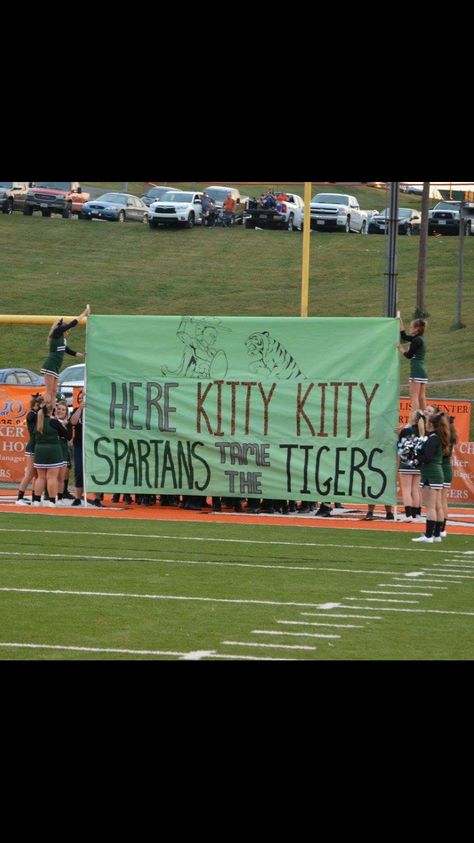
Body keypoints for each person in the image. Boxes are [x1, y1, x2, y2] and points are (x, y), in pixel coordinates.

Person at [41, 304, 90, 406]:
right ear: (63, 328)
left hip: (56, 367)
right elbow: (72, 324)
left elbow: (68, 350)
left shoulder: (63, 340)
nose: (69, 330)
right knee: (49, 391)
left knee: (54, 392)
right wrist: (84, 314)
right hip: (50, 365)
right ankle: (45, 412)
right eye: (67, 328)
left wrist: (81, 354)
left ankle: (52, 412)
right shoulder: (57, 333)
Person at [411, 412, 448, 543]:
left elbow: (427, 457)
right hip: (436, 473)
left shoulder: (433, 439)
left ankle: (428, 536)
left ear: (431, 424)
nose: (425, 424)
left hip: (431, 474)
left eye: (427, 422)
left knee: (431, 506)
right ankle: (437, 535)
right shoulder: (436, 437)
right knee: (437, 506)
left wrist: (415, 459)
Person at [32, 401, 69, 507]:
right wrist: (63, 425)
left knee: (41, 477)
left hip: (39, 451)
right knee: (51, 477)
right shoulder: (54, 422)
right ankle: (52, 501)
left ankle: (36, 500)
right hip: (53, 450)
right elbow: (67, 435)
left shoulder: (38, 421)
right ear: (51, 410)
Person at [15, 393, 44, 505]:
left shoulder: (39, 414)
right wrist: (38, 409)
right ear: (34, 405)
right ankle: (19, 498)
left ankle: (34, 497)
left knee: (37, 475)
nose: (41, 406)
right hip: (33, 446)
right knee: (30, 473)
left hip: (39, 446)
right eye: (38, 404)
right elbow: (33, 419)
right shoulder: (31, 414)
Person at [397, 409, 424, 522]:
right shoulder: (423, 432)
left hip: (406, 463)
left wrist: (399, 434)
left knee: (407, 490)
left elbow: (399, 447)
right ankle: (416, 514)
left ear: (414, 418)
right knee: (415, 490)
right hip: (418, 464)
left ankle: (408, 515)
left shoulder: (406, 430)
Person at [397, 314, 428, 411]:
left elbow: (409, 355)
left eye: (411, 327)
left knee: (414, 397)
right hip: (422, 371)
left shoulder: (416, 340)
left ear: (417, 329)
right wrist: (400, 321)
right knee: (421, 398)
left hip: (416, 370)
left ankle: (415, 422)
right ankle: (424, 420)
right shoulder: (419, 338)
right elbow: (404, 336)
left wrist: (400, 348)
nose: (410, 328)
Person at [440, 415, 457, 538]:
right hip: (447, 468)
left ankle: (439, 528)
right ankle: (442, 528)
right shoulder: (452, 435)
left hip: (441, 468)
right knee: (442, 500)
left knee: (439, 501)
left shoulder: (442, 437)